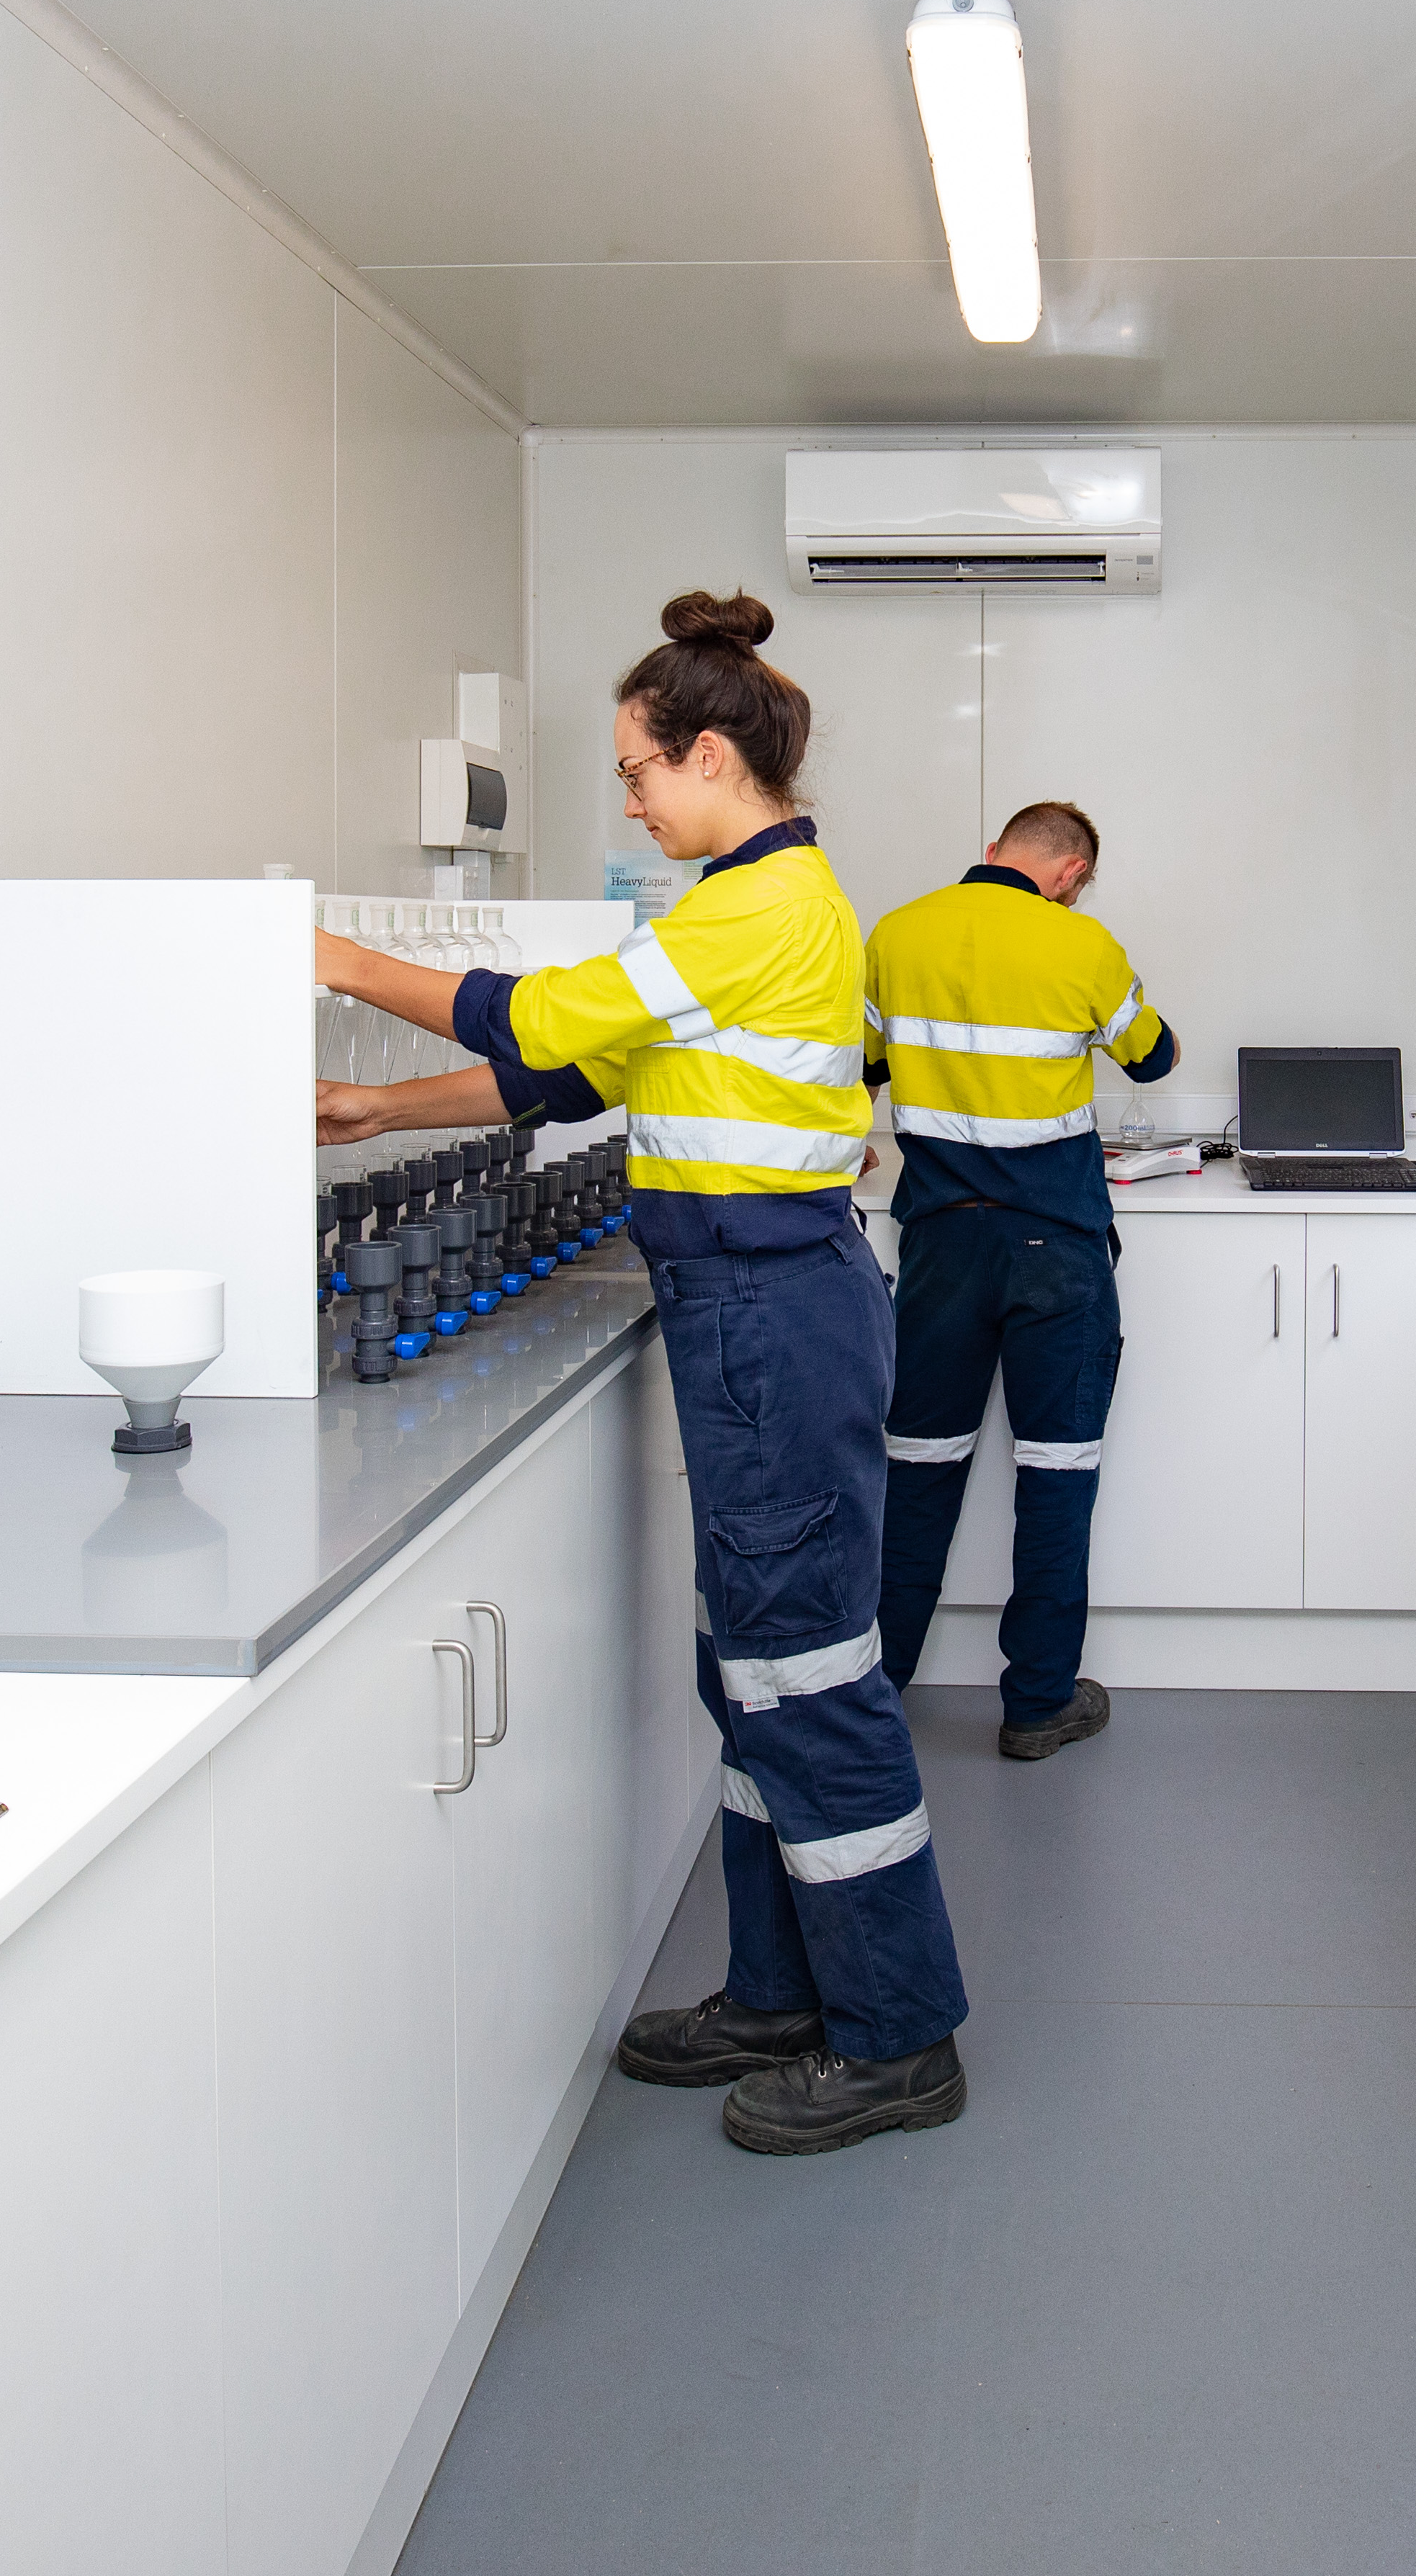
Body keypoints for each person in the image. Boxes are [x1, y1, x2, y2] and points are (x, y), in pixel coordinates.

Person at [310, 591, 967, 2156]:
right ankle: (777, 1988)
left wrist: (333, 955)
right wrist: (372, 1108)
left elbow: (526, 1015)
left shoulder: (758, 908)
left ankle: (897, 2030)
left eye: (633, 768)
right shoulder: (738, 908)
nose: (625, 798)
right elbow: (571, 1065)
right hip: (748, 1306)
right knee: (751, 1670)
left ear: (713, 755)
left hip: (774, 1308)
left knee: (806, 1673)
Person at [863, 801, 1178, 1761]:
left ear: (994, 852)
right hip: (1058, 1250)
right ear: (1071, 871)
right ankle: (1038, 1703)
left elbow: (865, 1065)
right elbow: (1153, 1057)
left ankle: (875, 1693)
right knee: (1056, 1478)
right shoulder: (1080, 945)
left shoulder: (897, 934)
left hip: (942, 1249)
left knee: (917, 1475)